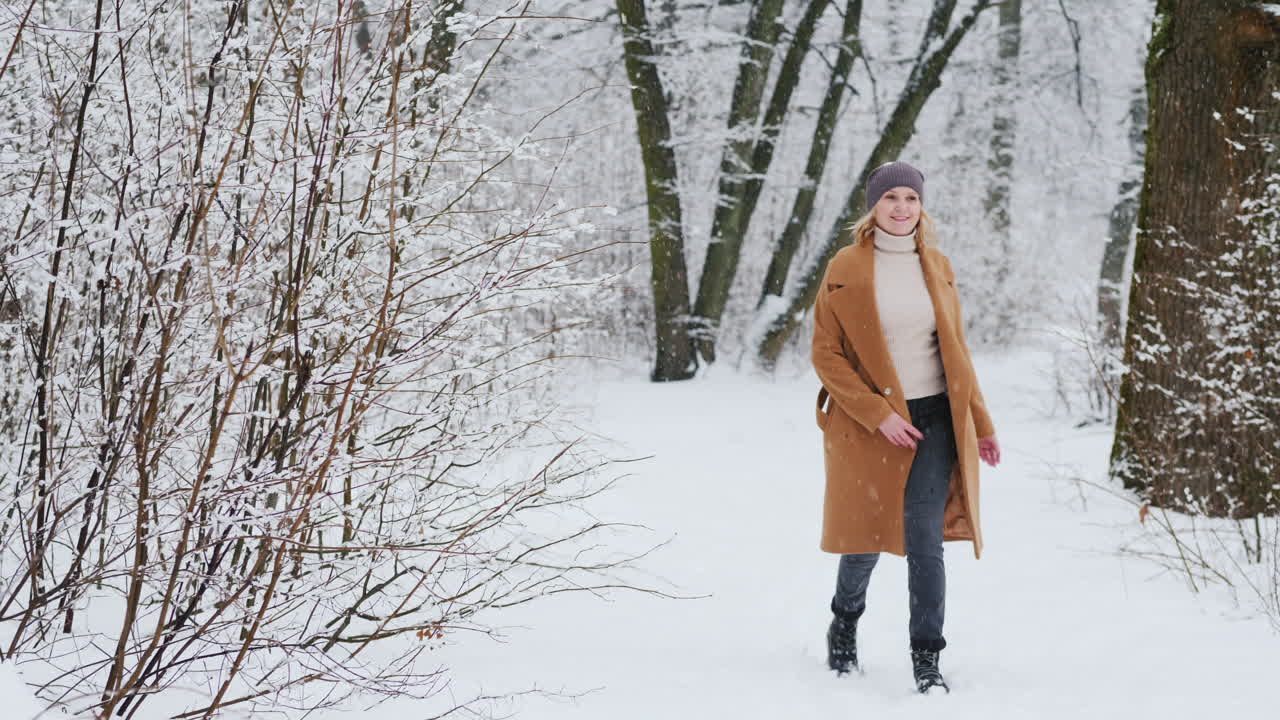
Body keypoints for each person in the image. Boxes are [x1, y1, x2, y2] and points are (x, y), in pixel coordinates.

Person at [810, 160, 1001, 694]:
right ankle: (844, 623)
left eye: (911, 199)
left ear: (922, 207)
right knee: (866, 535)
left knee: (924, 538)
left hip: (935, 419)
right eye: (891, 197)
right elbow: (826, 354)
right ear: (874, 206)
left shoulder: (936, 264)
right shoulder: (845, 265)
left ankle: (926, 658)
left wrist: (981, 424)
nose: (901, 208)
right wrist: (879, 414)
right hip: (869, 424)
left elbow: (956, 352)